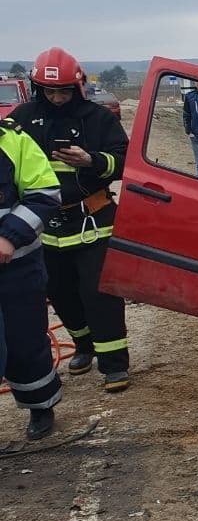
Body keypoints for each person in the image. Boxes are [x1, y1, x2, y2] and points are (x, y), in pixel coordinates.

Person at [9, 47, 131, 393]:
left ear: (76, 87)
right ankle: (84, 346)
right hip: (44, 227)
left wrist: (92, 160)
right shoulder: (22, 118)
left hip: (93, 220)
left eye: (64, 90)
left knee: (100, 294)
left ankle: (114, 364)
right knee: (59, 292)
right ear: (38, 89)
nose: (57, 98)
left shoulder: (98, 118)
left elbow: (124, 161)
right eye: (50, 91)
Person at [0, 119, 63, 438]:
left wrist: (10, 237)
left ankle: (41, 406)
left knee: (25, 342)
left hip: (15, 270)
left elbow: (44, 192)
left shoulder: (12, 141)